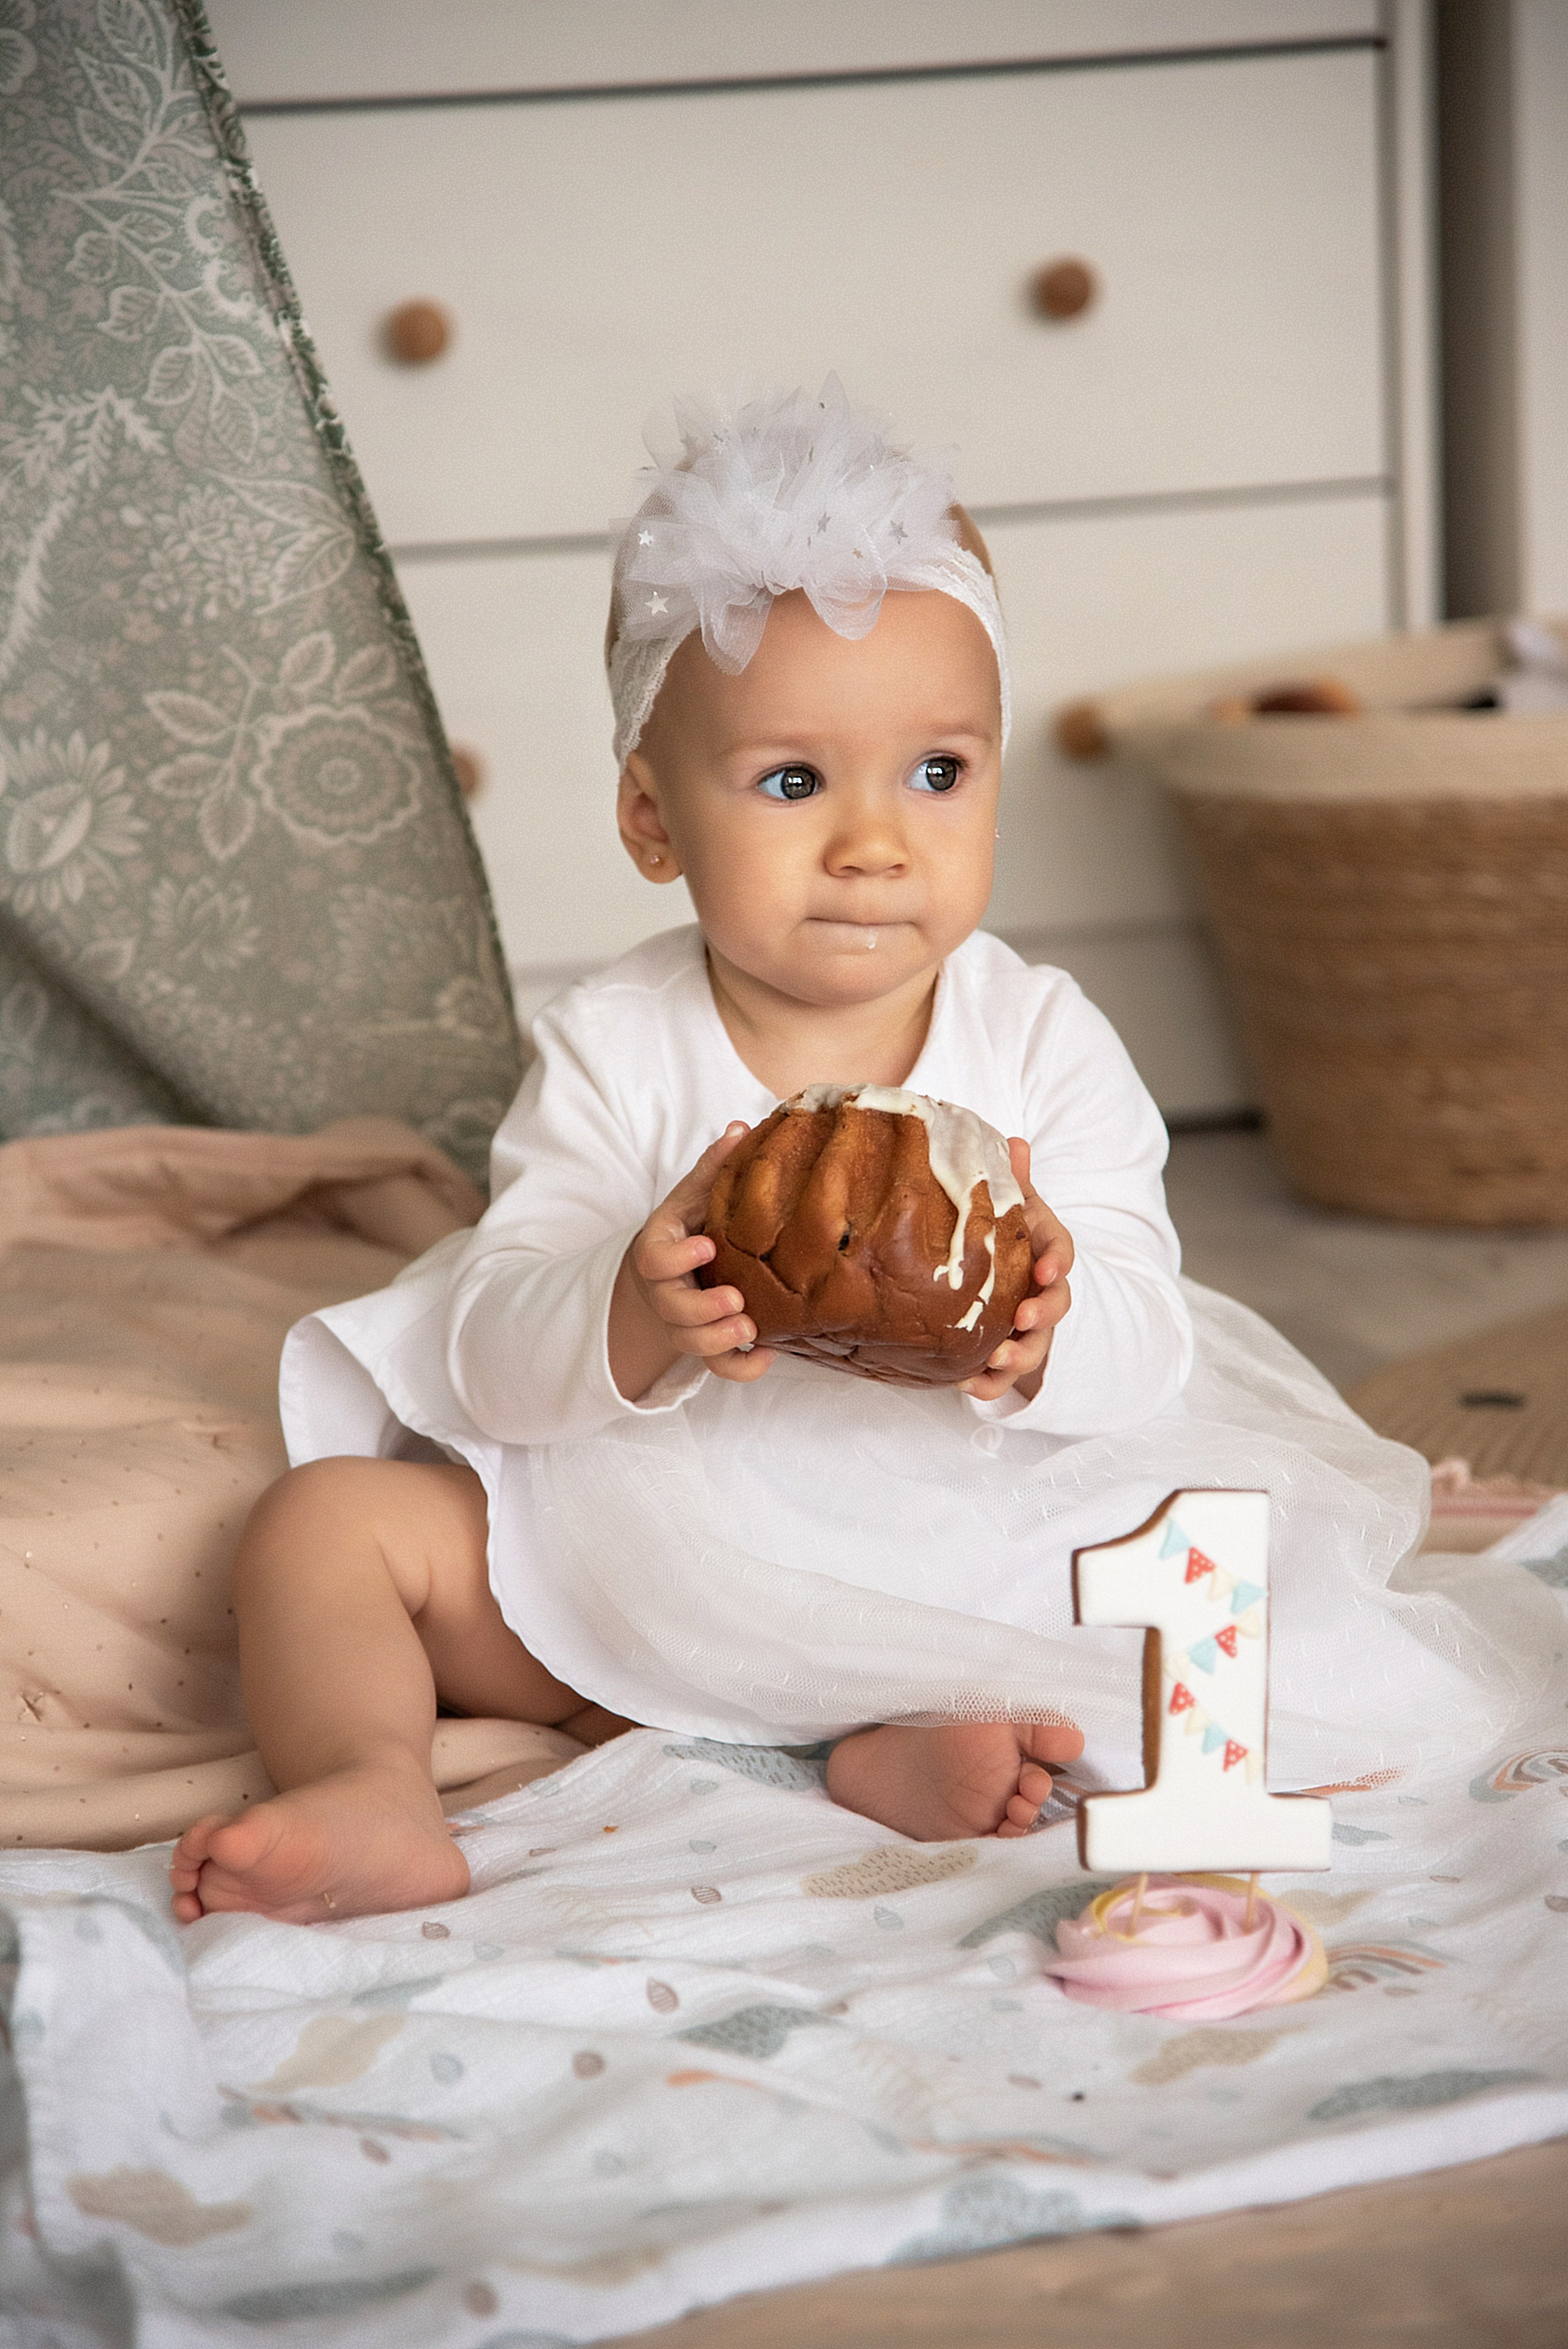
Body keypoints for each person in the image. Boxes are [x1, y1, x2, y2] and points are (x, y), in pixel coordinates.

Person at [170, 383, 1531, 1927]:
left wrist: (1045, 1332)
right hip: (660, 1532)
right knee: (324, 1527)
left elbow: (1143, 1326)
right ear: (649, 817)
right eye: (793, 781)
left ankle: (871, 1716)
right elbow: (493, 1348)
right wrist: (625, 1307)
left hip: (966, 1534)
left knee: (1229, 1601)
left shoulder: (1037, 1036)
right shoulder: (617, 1043)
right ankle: (367, 1781)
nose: (874, 841)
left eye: (938, 773)